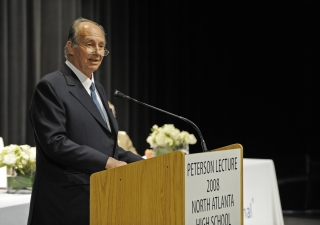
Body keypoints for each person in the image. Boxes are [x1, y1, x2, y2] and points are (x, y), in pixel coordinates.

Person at [27, 17, 143, 225]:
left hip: (100, 200)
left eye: (101, 46)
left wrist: (146, 164)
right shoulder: (51, 86)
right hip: (64, 207)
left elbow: (108, 148)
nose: (97, 52)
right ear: (70, 47)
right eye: (90, 45)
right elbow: (55, 142)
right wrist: (106, 162)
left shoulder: (97, 89)